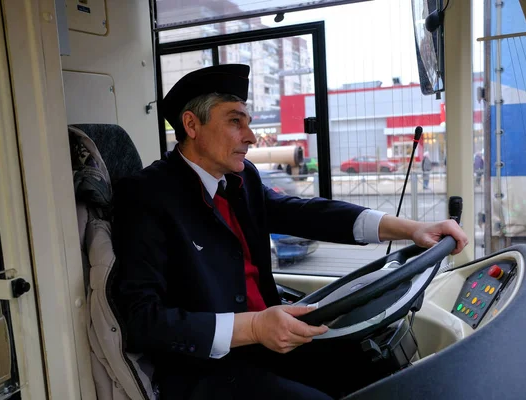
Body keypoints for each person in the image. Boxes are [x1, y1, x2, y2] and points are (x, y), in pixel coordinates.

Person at [111, 64, 468, 400]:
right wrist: (253, 328)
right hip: (202, 370)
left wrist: (413, 229)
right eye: (235, 122)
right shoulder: (147, 196)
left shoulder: (241, 178)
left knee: (375, 374)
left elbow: (307, 214)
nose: (251, 137)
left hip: (266, 345)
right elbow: (142, 320)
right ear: (191, 124)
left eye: (248, 122)